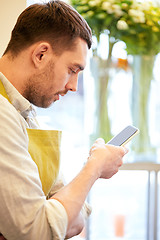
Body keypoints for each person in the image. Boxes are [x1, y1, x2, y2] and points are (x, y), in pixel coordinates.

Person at [0, 1, 128, 239]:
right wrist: (95, 167)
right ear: (41, 54)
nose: (73, 86)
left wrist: (57, 210)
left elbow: (74, 220)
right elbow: (39, 231)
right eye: (72, 69)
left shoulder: (22, 110)